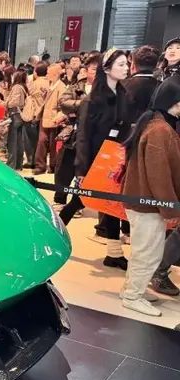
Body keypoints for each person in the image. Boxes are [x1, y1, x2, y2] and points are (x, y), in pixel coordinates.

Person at [59, 49, 132, 270]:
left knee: (109, 204)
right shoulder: (91, 101)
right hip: (94, 161)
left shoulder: (124, 95)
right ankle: (51, 234)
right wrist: (81, 169)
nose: (126, 68)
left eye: (126, 64)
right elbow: (83, 137)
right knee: (78, 201)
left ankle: (114, 253)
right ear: (106, 68)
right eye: (120, 64)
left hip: (115, 159)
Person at [117, 78, 180, 316]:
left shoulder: (154, 124)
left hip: (143, 201)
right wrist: (170, 208)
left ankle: (132, 289)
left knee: (143, 250)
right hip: (148, 204)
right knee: (148, 252)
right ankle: (133, 296)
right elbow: (159, 175)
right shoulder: (160, 130)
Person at [54, 53, 100, 210]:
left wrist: (77, 110)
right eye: (94, 69)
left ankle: (76, 204)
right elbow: (64, 103)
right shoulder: (77, 87)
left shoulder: (105, 90)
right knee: (63, 168)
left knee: (84, 172)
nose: (97, 73)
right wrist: (85, 105)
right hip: (73, 135)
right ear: (86, 70)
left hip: (94, 138)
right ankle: (60, 199)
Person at [34, 64, 67, 175]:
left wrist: (57, 118)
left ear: (56, 74)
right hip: (45, 118)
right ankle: (40, 166)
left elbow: (62, 106)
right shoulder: (49, 84)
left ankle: (53, 165)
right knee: (41, 141)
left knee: (53, 144)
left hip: (54, 119)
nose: (47, 74)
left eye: (49, 73)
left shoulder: (61, 87)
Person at [122, 45, 161, 125]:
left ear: (132, 65)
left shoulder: (121, 85)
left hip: (124, 131)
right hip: (154, 130)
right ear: (156, 65)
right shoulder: (163, 87)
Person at [22, 62, 50, 169]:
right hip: (45, 115)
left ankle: (31, 161)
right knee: (41, 141)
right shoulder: (50, 83)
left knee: (30, 140)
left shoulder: (33, 84)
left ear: (36, 72)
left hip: (33, 115)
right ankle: (40, 161)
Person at [4, 69, 28, 170]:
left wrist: (6, 103)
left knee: (12, 141)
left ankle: (11, 164)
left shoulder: (17, 87)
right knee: (18, 141)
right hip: (20, 115)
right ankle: (18, 164)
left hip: (15, 115)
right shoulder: (23, 87)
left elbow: (15, 102)